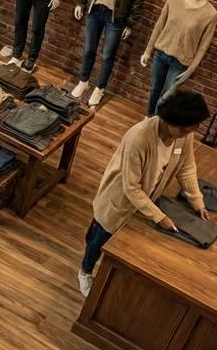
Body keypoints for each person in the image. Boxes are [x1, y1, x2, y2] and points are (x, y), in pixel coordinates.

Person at [77, 90, 213, 297]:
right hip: (119, 199)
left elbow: (187, 166)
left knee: (122, 241)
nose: (195, 130)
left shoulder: (183, 136)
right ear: (172, 123)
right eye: (190, 126)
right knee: (100, 236)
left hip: (147, 200)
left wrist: (198, 202)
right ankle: (85, 270)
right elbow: (131, 187)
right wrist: (160, 217)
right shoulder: (139, 138)